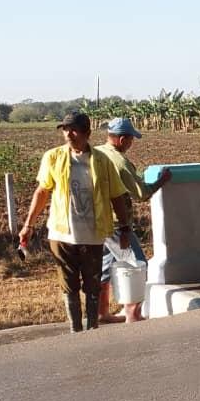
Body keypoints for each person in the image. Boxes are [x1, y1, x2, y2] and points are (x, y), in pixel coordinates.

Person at [19, 111, 130, 332]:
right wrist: (28, 225)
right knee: (68, 286)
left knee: (92, 286)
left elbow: (116, 196)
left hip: (93, 234)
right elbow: (42, 192)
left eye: (74, 129)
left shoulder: (102, 160)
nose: (69, 134)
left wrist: (125, 227)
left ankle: (92, 330)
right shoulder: (53, 157)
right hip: (62, 234)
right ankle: (75, 331)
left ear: (87, 133)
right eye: (65, 129)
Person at [95, 117, 172, 323]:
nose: (131, 143)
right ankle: (133, 313)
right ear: (121, 139)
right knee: (137, 264)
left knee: (105, 266)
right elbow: (141, 193)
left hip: (97, 221)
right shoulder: (120, 162)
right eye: (130, 139)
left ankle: (101, 312)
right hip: (117, 224)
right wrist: (161, 181)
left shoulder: (97, 153)